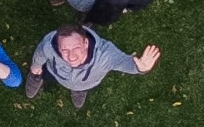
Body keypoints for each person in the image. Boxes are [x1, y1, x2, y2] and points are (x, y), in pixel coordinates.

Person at [26, 23, 161, 109]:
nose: (71, 56)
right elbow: (41, 52)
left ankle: (79, 91)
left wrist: (141, 68)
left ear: (85, 43)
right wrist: (35, 67)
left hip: (87, 82)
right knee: (41, 72)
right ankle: (35, 78)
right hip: (56, 73)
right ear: (58, 46)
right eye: (64, 50)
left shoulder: (105, 55)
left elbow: (125, 62)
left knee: (81, 87)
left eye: (76, 48)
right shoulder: (50, 43)